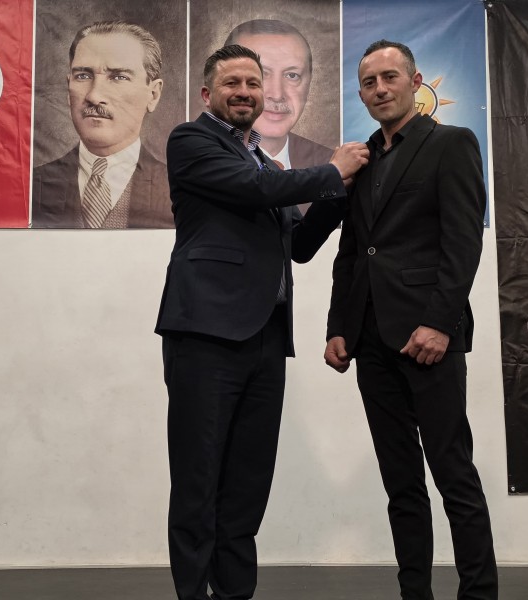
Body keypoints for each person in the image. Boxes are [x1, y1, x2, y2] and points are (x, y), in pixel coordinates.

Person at [155, 44, 368, 600]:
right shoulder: (191, 141)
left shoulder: (265, 164)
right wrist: (330, 171)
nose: (245, 92)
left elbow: (298, 246)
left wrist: (340, 195)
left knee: (248, 482)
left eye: (253, 83)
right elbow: (254, 191)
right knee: (199, 478)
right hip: (205, 333)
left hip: (266, 337)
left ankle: (234, 593)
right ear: (208, 93)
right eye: (233, 83)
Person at [324, 40, 497, 600]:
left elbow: (463, 242)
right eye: (369, 82)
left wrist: (441, 323)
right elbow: (352, 253)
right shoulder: (361, 161)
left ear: (415, 82)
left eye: (390, 77)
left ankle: (479, 593)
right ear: (360, 93)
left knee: (454, 474)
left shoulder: (452, 142)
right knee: (400, 483)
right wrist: (338, 326)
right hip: (370, 341)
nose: (380, 89)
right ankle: (414, 593)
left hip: (429, 338)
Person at [32, 20, 174, 228]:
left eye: (118, 77)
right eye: (83, 76)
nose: (94, 96)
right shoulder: (30, 187)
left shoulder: (180, 190)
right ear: (68, 89)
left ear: (153, 94)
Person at [225, 19, 334, 213]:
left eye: (292, 75)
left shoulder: (330, 162)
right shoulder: (199, 157)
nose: (276, 94)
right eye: (261, 75)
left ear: (309, 84)